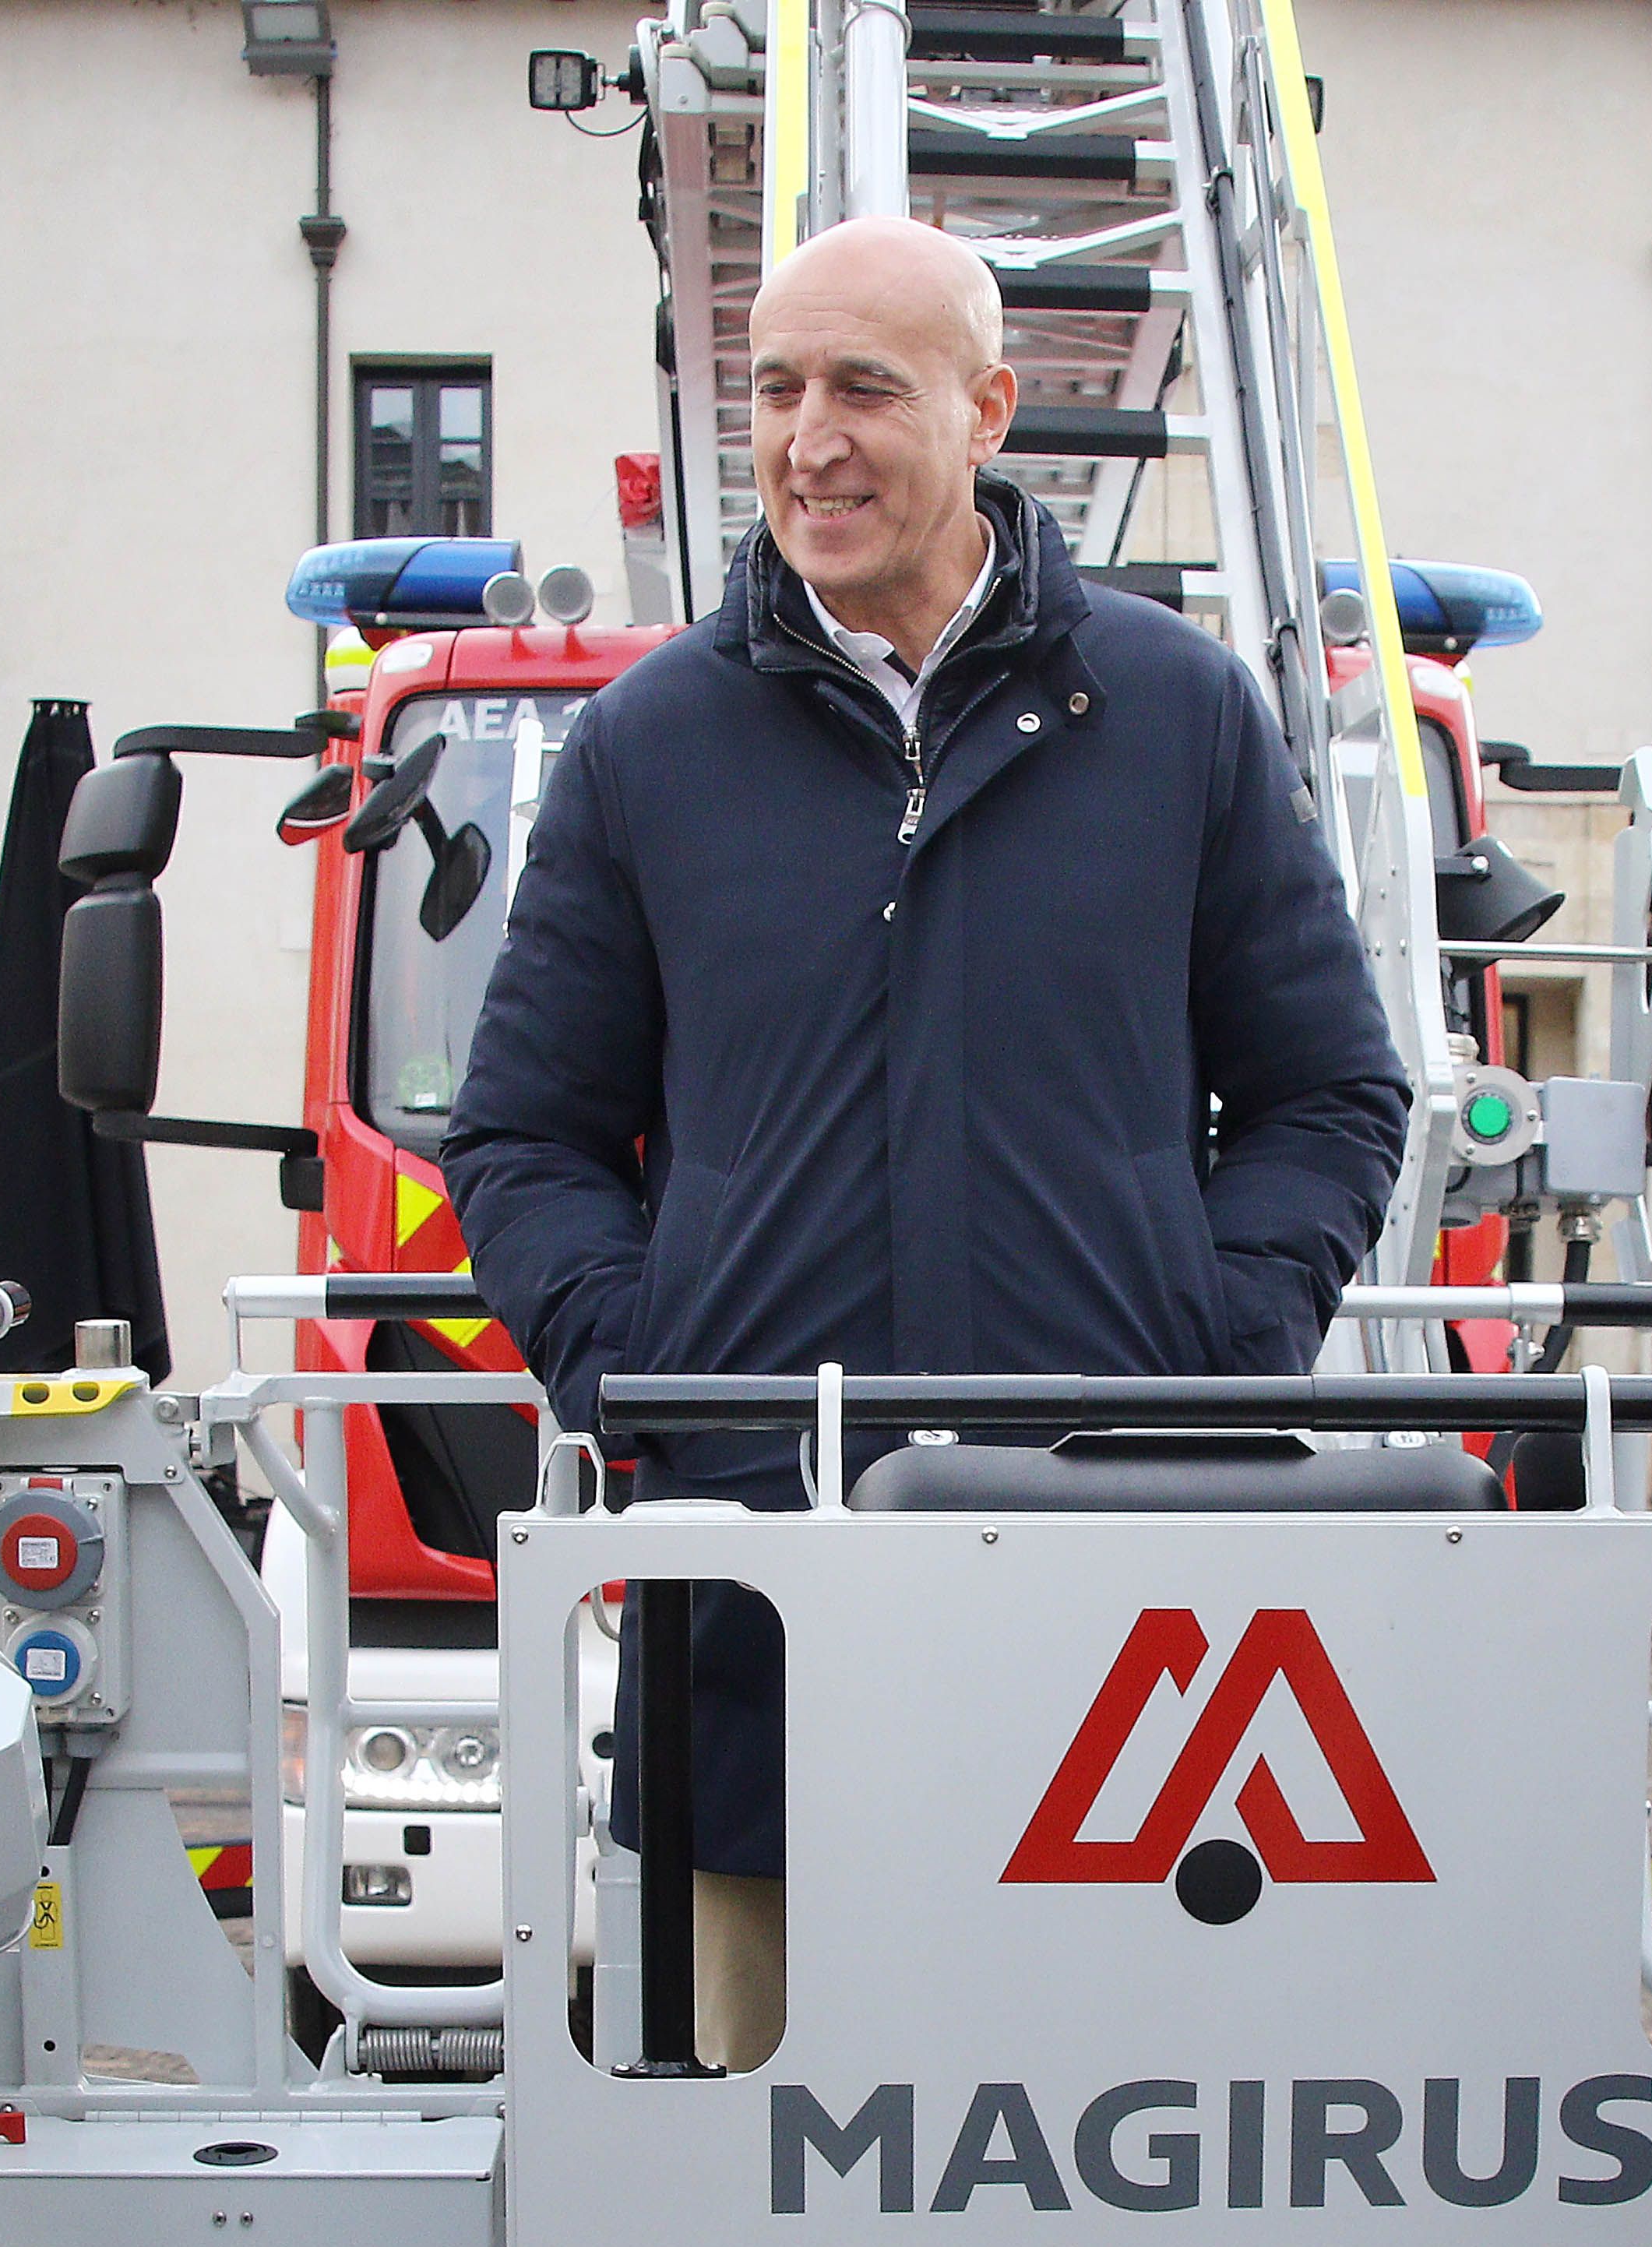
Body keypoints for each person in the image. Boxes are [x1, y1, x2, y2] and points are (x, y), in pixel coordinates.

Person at [443, 215, 1411, 2070]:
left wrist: (1207, 1357)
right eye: (774, 388)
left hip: (1126, 1609)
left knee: (1121, 2148)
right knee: (742, 2170)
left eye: (861, 388)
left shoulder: (1175, 718)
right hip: (755, 1605)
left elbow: (1327, 1095)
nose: (808, 437)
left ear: (987, 413)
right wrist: (645, 1374)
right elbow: (527, 1131)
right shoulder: (650, 744)